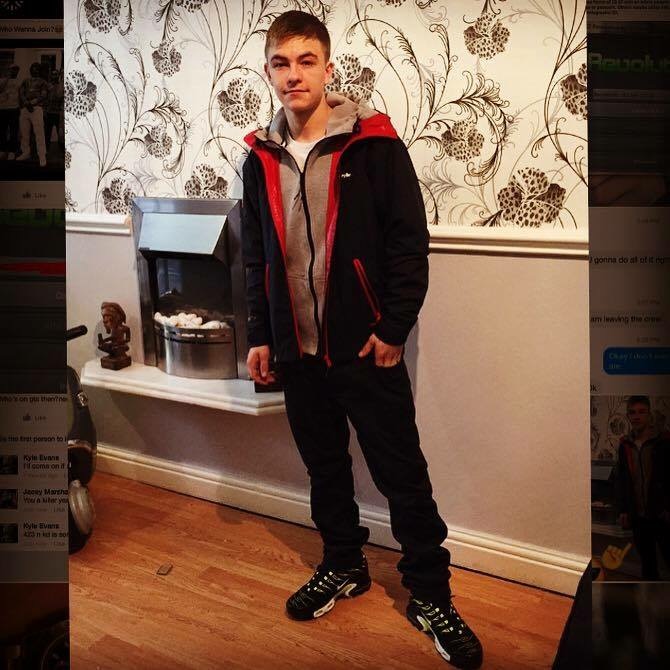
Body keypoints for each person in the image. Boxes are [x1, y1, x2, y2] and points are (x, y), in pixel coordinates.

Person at [241, 11, 483, 669]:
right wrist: (261, 333)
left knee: (402, 474)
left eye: (306, 61)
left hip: (364, 347)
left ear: (327, 67)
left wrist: (393, 326)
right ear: (268, 71)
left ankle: (431, 595)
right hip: (297, 350)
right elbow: (257, 256)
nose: (294, 75)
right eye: (282, 63)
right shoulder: (258, 155)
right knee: (324, 468)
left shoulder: (374, 146)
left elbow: (408, 243)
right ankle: (343, 564)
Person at [617, 395, 670, 580]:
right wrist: (623, 509)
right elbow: (622, 479)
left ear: (649, 415)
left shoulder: (664, 441)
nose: (636, 417)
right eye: (632, 413)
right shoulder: (625, 445)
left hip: (662, 514)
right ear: (628, 416)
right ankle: (653, 598)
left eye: (641, 412)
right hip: (638, 517)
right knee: (648, 565)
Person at [17, 62, 48, 167]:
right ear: (30, 70)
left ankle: (42, 156)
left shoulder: (43, 82)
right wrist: (26, 102)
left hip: (37, 108)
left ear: (39, 70)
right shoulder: (25, 81)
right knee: (24, 133)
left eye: (36, 68)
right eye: (33, 68)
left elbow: (43, 95)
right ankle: (25, 152)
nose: (34, 70)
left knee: (39, 133)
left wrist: (32, 102)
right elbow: (21, 92)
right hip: (25, 108)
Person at [0, 64, 20, 160]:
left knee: (13, 131)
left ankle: (12, 151)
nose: (14, 71)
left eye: (16, 69)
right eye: (12, 69)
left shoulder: (19, 81)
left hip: (14, 109)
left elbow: (21, 94)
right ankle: (2, 150)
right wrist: (7, 77)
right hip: (2, 109)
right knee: (2, 131)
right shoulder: (2, 80)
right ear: (9, 70)